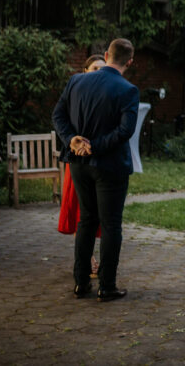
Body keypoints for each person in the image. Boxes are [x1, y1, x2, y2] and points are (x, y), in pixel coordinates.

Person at [52, 38, 139, 302]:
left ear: (106, 54)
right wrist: (95, 146)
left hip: (78, 164)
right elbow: (125, 131)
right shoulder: (128, 90)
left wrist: (72, 140)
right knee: (111, 224)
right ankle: (107, 286)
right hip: (110, 166)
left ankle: (80, 283)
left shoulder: (76, 81)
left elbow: (58, 115)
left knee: (86, 220)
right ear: (130, 62)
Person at [57, 54, 106, 280]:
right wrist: (71, 140)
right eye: (94, 68)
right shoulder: (74, 89)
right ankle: (87, 259)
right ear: (85, 71)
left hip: (101, 160)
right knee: (80, 210)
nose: (98, 72)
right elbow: (59, 116)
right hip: (77, 158)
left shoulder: (109, 92)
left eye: (102, 69)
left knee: (99, 210)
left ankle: (96, 258)